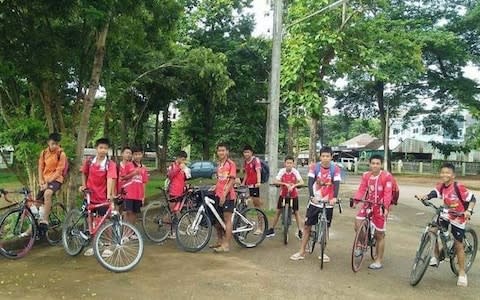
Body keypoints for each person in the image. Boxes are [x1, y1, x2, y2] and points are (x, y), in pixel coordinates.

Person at [417, 162, 476, 287]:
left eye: (447, 173)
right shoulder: (442, 186)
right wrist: (425, 196)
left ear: (453, 175)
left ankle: (461, 273)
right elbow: (434, 193)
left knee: (458, 245)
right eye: (443, 172)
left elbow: (472, 199)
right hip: (446, 213)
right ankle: (437, 256)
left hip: (459, 216)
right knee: (433, 229)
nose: (445, 174)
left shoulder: (458, 187)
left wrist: (468, 211)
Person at [290, 146, 341, 262]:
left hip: (328, 201)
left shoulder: (335, 169)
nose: (325, 158)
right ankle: (302, 251)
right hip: (315, 200)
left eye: (328, 156)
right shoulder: (314, 167)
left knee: (326, 227)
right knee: (307, 226)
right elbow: (310, 182)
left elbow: (337, 183)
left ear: (331, 157)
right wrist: (312, 196)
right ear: (320, 156)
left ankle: (323, 252)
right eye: (323, 156)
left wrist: (334, 198)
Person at [352, 155, 393, 270]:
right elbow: (362, 189)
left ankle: (378, 260)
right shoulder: (366, 175)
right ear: (369, 164)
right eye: (373, 163)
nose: (375, 165)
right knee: (357, 222)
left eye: (377, 163)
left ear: (381, 165)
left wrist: (385, 207)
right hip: (368, 204)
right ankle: (361, 243)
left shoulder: (386, 176)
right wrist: (356, 200)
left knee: (379, 235)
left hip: (380, 207)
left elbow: (388, 193)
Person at [79, 138, 117, 257]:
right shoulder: (89, 161)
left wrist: (109, 195)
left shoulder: (110, 164)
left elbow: (110, 178)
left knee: (106, 220)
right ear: (96, 148)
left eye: (105, 148)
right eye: (101, 148)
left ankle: (108, 245)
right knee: (90, 220)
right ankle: (94, 245)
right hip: (90, 196)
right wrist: (84, 186)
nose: (103, 150)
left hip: (102, 197)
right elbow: (84, 173)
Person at [266, 156, 304, 239]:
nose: (289, 165)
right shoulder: (282, 171)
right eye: (287, 163)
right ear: (285, 164)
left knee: (296, 212)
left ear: (293, 164)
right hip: (283, 194)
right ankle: (272, 229)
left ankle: (300, 230)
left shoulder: (295, 172)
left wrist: (294, 185)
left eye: (291, 163)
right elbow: (275, 181)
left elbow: (302, 182)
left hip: (294, 195)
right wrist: (285, 184)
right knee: (278, 211)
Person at [37, 133, 67, 234]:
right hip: (45, 180)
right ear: (48, 142)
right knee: (36, 204)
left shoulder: (61, 154)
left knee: (47, 193)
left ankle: (45, 220)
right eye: (53, 143)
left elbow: (59, 171)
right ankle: (33, 228)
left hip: (56, 179)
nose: (55, 146)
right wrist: (41, 180)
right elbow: (40, 167)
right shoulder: (44, 153)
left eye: (57, 144)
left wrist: (48, 182)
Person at [211, 143, 236, 253]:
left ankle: (226, 245)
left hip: (228, 196)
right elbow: (220, 180)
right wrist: (215, 187)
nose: (221, 152)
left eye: (223, 150)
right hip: (217, 194)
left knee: (227, 220)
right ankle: (220, 241)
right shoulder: (219, 164)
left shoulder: (230, 164)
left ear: (227, 152)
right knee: (217, 220)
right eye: (219, 150)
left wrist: (224, 194)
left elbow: (231, 180)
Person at [122, 146, 148, 231]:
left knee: (134, 213)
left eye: (139, 154)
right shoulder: (128, 165)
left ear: (142, 155)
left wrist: (143, 196)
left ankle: (131, 232)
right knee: (128, 212)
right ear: (133, 155)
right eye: (135, 154)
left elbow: (144, 182)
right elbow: (123, 178)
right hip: (129, 194)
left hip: (138, 194)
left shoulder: (144, 168)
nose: (137, 156)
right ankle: (125, 232)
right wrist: (133, 173)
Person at [166, 150, 190, 239]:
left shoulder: (183, 167)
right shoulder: (173, 166)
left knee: (177, 211)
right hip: (173, 192)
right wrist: (179, 168)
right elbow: (170, 175)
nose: (183, 161)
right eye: (182, 159)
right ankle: (170, 231)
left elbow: (184, 178)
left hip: (181, 192)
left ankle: (176, 229)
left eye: (184, 160)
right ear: (178, 158)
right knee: (172, 211)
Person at [241, 145, 263, 235]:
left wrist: (258, 182)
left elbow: (258, 171)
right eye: (245, 152)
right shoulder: (245, 162)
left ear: (251, 152)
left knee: (257, 206)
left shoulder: (255, 160)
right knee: (243, 203)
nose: (246, 154)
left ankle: (260, 227)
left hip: (254, 186)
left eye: (248, 152)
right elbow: (246, 173)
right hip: (248, 185)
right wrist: (243, 183)